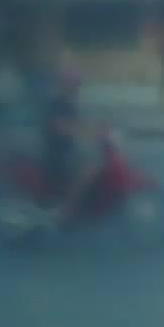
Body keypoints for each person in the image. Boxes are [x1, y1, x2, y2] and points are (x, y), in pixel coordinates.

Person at [42, 69, 104, 224]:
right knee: (92, 165)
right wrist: (86, 133)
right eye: (74, 83)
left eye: (78, 84)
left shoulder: (69, 104)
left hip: (68, 150)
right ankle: (67, 208)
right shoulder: (58, 103)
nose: (77, 87)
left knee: (99, 157)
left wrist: (97, 129)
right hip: (58, 153)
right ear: (65, 85)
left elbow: (78, 125)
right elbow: (61, 128)